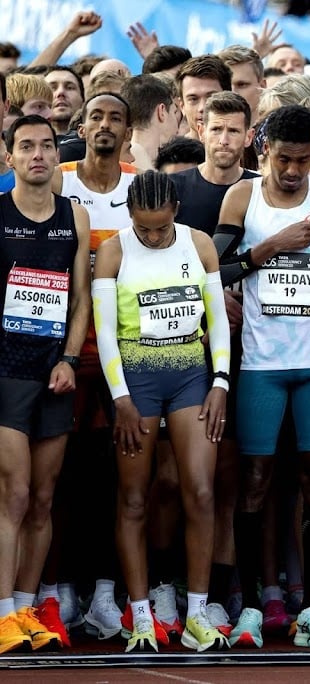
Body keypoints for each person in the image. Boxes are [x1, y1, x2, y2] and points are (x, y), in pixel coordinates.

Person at [214, 104, 310, 649]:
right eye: (283, 159)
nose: (294, 170)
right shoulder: (241, 199)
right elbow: (213, 271)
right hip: (259, 363)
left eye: (302, 160)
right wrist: (267, 250)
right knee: (253, 482)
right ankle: (253, 602)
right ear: (263, 150)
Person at [92, 171, 230, 653]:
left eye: (160, 228)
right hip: (137, 378)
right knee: (134, 497)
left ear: (176, 209)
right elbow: (105, 331)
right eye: (143, 229)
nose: (152, 237)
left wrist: (220, 382)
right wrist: (121, 398)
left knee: (201, 490)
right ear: (130, 215)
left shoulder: (199, 245)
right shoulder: (113, 251)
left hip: (191, 374)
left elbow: (218, 320)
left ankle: (196, 613)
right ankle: (143, 615)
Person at [0, 115, 91, 653]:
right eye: (26, 146)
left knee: (42, 498)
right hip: (6, 369)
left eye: (47, 146)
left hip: (55, 371)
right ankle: (2, 612)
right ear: (9, 157)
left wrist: (69, 358)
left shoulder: (73, 216)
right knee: (11, 495)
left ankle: (27, 607)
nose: (38, 154)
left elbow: (80, 297)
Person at [170, 90, 258, 633]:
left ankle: (223, 590)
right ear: (200, 127)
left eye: (234, 131)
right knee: (170, 478)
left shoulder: (261, 191)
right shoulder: (176, 190)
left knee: (232, 477)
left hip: (252, 351)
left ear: (250, 135)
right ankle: (166, 587)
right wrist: (208, 297)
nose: (224, 140)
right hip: (179, 353)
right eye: (215, 128)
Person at [52, 92, 138, 642]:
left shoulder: (141, 186)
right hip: (60, 353)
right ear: (81, 126)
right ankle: (57, 590)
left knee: (113, 477)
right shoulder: (57, 180)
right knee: (58, 478)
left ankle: (106, 594)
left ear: (129, 131)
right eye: (97, 117)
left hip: (123, 356)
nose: (105, 126)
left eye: (116, 118)